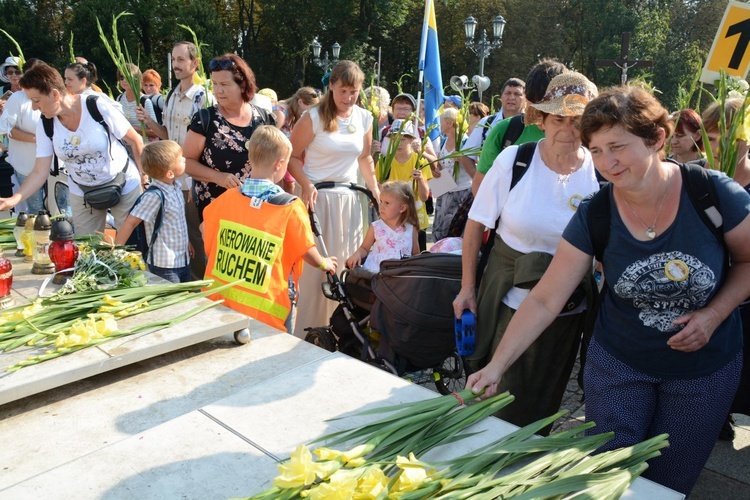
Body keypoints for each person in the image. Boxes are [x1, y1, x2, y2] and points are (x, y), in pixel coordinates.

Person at [465, 85, 750, 496]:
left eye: (617, 146)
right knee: (606, 475)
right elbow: (546, 297)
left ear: (657, 138)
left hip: (704, 372)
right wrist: (496, 367)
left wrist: (713, 315)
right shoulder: (595, 212)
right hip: (620, 364)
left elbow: (746, 263)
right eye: (596, 150)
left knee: (666, 484)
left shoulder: (713, 193)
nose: (607, 163)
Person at [453, 72, 599, 435]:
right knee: (492, 395)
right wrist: (467, 288)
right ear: (543, 120)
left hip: (566, 309)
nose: (567, 129)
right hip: (507, 297)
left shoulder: (600, 173)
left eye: (577, 121)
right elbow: (476, 226)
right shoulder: (514, 161)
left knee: (541, 398)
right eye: (558, 119)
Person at [202, 125, 337, 333]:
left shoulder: (227, 198)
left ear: (250, 156)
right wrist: (323, 263)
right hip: (268, 312)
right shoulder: (289, 207)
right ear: (280, 164)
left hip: (223, 301)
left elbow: (205, 229)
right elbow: (306, 250)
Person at [287, 60, 380, 338]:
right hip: (319, 199)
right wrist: (305, 184)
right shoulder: (313, 117)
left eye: (354, 92)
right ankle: (308, 331)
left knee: (346, 267)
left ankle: (343, 330)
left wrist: (374, 188)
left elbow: (364, 157)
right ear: (331, 86)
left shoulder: (364, 118)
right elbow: (291, 157)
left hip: (350, 200)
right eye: (343, 91)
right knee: (317, 269)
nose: (348, 98)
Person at [0, 62, 146, 236]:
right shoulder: (46, 123)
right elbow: (40, 171)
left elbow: (135, 140)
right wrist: (14, 199)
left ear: (54, 94)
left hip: (123, 184)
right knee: (88, 249)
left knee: (131, 250)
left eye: (36, 100)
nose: (34, 107)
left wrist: (144, 179)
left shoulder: (96, 105)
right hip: (83, 192)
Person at [135, 41, 214, 281]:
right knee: (175, 232)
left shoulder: (203, 97)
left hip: (190, 180)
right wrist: (149, 121)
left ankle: (199, 285)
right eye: (173, 60)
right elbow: (168, 135)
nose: (176, 65)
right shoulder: (170, 95)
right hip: (169, 180)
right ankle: (181, 281)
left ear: (195, 63)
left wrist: (195, 179)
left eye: (181, 60)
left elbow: (206, 143)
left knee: (195, 233)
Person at [702, 98, 750, 440]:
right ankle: (716, 414)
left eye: (737, 137)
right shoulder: (694, 180)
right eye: (714, 138)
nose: (716, 147)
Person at [183, 53, 275, 218]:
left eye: (224, 84)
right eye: (215, 84)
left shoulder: (264, 118)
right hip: (216, 210)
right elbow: (187, 163)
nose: (218, 91)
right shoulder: (205, 119)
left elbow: (279, 161)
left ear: (242, 85)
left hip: (257, 209)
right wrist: (218, 177)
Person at [473, 60, 568, 195]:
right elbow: (480, 186)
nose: (542, 115)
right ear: (528, 101)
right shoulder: (506, 130)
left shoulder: (580, 135)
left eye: (550, 109)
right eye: (537, 107)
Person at [114, 140, 190, 283]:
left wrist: (187, 242)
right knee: (170, 302)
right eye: (180, 159)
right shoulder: (154, 196)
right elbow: (130, 222)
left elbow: (177, 222)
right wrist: (117, 252)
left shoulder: (176, 187)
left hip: (182, 259)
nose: (184, 159)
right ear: (170, 173)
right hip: (165, 264)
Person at [0, 58, 45, 213]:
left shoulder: (54, 95)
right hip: (26, 164)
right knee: (36, 208)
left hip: (55, 166)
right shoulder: (17, 98)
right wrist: (39, 139)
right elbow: (7, 130)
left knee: (62, 209)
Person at [346, 180, 420, 272]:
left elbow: (416, 255)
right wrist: (357, 254)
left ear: (402, 208)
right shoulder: (376, 227)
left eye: (387, 203)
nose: (381, 206)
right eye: (381, 201)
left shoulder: (411, 230)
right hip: (376, 273)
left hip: (401, 275)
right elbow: (364, 248)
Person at [384, 119, 432, 251]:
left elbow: (424, 197)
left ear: (412, 140)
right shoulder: (385, 162)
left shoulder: (420, 161)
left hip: (417, 221)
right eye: (394, 138)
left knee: (417, 261)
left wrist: (421, 179)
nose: (398, 142)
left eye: (403, 139)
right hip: (393, 222)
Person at [431, 106, 474, 242]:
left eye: (442, 121)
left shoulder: (467, 142)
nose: (439, 125)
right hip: (444, 192)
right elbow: (440, 164)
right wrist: (436, 170)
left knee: (456, 231)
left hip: (461, 194)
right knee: (442, 231)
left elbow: (476, 169)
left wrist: (462, 159)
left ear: (450, 123)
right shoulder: (443, 141)